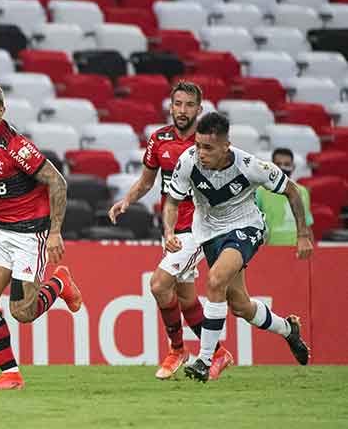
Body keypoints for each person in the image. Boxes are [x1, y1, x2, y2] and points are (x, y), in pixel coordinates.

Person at [165, 112, 312, 382]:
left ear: (225, 146)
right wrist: (168, 231)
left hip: (246, 228)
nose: (200, 152)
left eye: (207, 147)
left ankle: (205, 360)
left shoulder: (250, 166)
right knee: (240, 306)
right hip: (209, 233)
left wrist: (303, 233)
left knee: (215, 279)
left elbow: (290, 189)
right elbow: (172, 202)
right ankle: (287, 329)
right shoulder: (188, 161)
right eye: (197, 145)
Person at [0, 81, 83, 390]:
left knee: (22, 312)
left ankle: (60, 282)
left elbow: (58, 183)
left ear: (1, 110)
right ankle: (10, 374)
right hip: (0, 230)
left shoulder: (16, 147)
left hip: (30, 234)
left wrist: (54, 232)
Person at [108, 81, 233, 380]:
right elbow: (147, 181)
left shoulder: (208, 144)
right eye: (177, 104)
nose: (182, 110)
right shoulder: (159, 139)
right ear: (170, 106)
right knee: (186, 299)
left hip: (198, 229)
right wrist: (127, 200)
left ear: (199, 110)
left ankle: (177, 349)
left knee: (159, 285)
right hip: (172, 229)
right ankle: (218, 352)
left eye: (189, 105)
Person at [256, 148, 314, 245]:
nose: (282, 168)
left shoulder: (302, 191)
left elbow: (306, 225)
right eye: (278, 164)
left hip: (296, 250)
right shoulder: (260, 192)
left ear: (293, 166)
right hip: (270, 250)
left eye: (287, 164)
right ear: (272, 166)